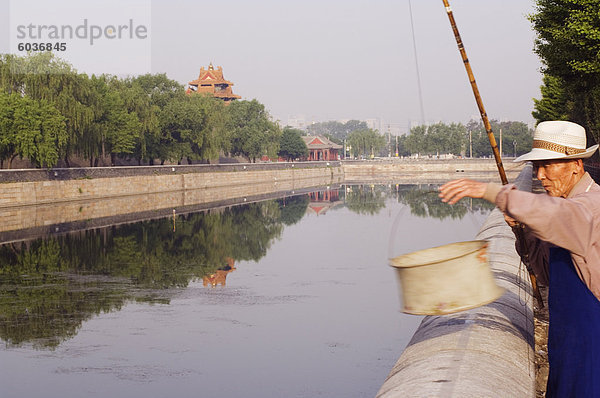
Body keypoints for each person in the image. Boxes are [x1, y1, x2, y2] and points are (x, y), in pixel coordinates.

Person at [438, 120, 600, 397]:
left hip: (591, 338)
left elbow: (554, 214)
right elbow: (547, 274)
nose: (540, 175)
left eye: (548, 165)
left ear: (576, 165)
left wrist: (491, 192)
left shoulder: (590, 206)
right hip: (565, 337)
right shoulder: (568, 207)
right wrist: (522, 231)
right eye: (537, 167)